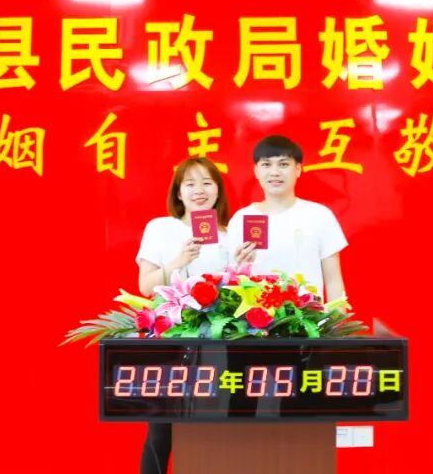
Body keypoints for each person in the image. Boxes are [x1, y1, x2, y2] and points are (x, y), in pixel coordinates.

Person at [135, 156, 230, 474]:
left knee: (213, 429)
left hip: (216, 343)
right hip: (170, 338)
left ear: (218, 190)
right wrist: (178, 261)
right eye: (190, 184)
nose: (199, 191)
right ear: (178, 193)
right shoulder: (160, 228)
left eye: (207, 183)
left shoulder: (229, 234)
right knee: (160, 432)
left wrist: (244, 262)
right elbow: (146, 285)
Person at [227, 135, 347, 302]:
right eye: (266, 164)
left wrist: (338, 317)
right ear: (256, 171)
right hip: (257, 317)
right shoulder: (241, 219)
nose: (275, 172)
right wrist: (240, 267)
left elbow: (333, 281)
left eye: (283, 164)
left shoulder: (319, 215)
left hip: (309, 316)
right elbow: (231, 282)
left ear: (298, 169)